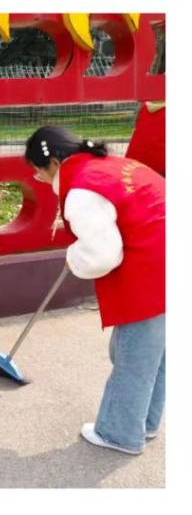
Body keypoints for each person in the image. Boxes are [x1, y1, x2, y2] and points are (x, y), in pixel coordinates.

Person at [25, 126, 165, 454]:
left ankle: (119, 433)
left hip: (153, 269)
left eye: (38, 170)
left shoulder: (82, 189)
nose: (38, 178)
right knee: (156, 353)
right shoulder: (110, 165)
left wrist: (76, 256)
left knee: (134, 355)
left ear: (54, 163)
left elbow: (102, 254)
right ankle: (143, 422)